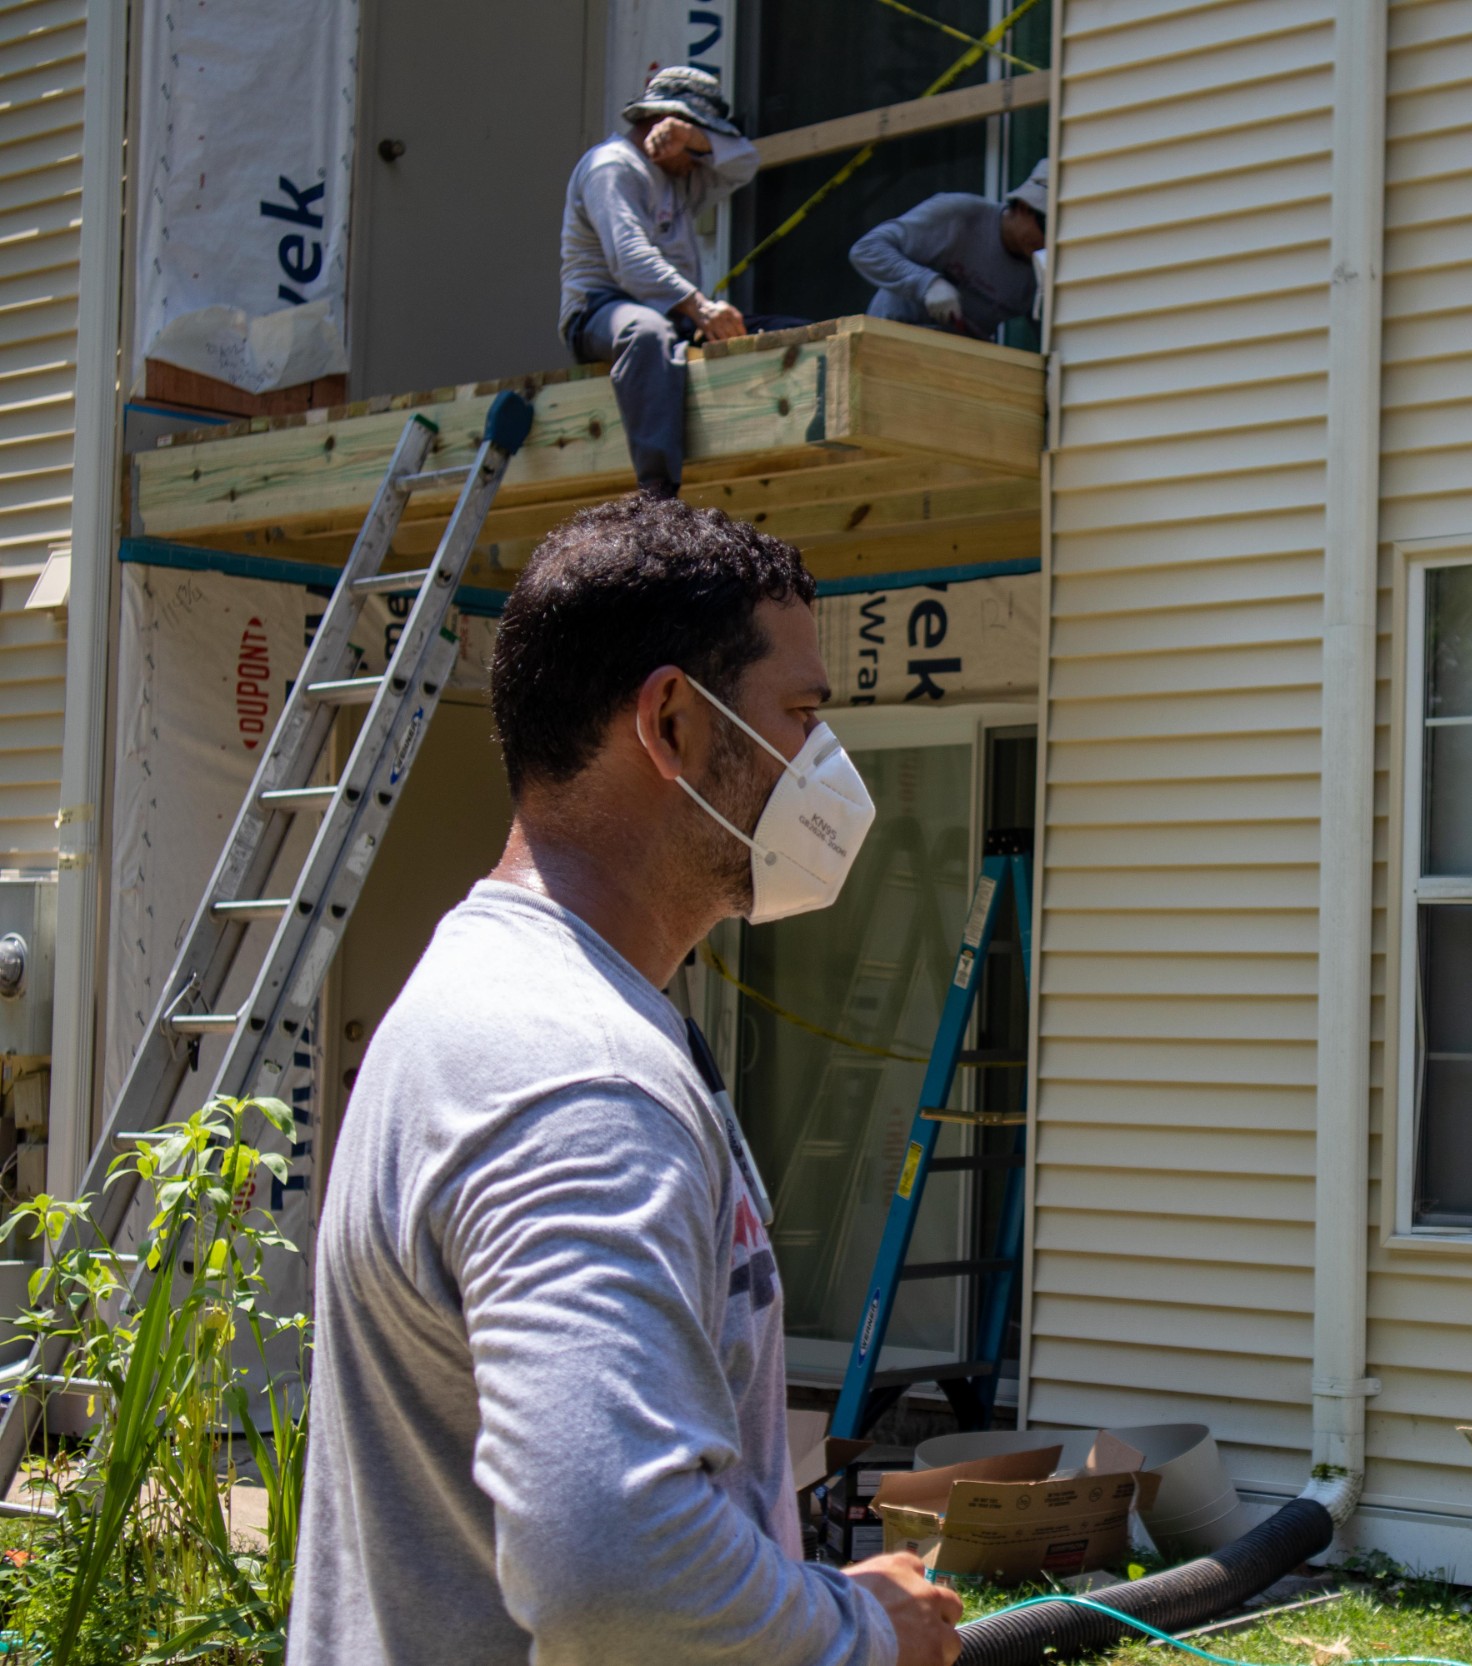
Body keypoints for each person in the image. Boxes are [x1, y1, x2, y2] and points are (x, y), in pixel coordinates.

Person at [291, 497, 960, 1666]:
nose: (827, 764)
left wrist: (775, 1593)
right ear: (671, 723)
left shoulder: (495, 993)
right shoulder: (577, 1075)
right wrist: (861, 1632)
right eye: (800, 714)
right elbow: (614, 1565)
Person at [559, 68, 803, 498]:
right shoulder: (612, 167)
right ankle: (656, 489)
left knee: (782, 328)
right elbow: (628, 260)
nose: (696, 162)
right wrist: (700, 307)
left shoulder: (679, 175)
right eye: (691, 145)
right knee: (645, 333)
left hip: (674, 312)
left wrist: (693, 139)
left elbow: (745, 162)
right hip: (600, 310)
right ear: (655, 122)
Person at [850, 158, 1048, 338]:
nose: (1047, 241)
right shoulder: (961, 216)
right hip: (891, 337)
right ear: (1023, 207)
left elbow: (1053, 338)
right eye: (1045, 227)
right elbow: (867, 250)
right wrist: (928, 284)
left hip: (955, 363)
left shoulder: (1040, 271)